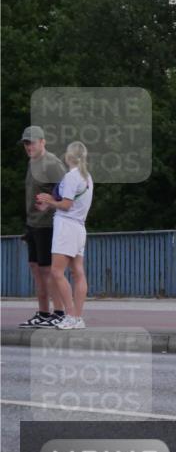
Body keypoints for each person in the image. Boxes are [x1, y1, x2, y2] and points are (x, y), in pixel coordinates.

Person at [34, 142, 93, 330]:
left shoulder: (70, 177)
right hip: (79, 227)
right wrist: (51, 202)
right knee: (78, 272)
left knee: (57, 272)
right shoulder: (87, 178)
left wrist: (49, 200)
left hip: (66, 227)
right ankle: (78, 317)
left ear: (69, 157)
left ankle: (70, 315)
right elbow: (73, 204)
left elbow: (66, 205)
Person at [19, 126, 67, 329]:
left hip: (48, 224)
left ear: (43, 142)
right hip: (33, 224)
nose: (29, 146)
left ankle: (59, 312)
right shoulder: (32, 162)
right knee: (36, 268)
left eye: (32, 142)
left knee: (49, 270)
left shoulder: (52, 163)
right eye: (26, 143)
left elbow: (67, 190)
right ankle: (43, 313)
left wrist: (52, 203)